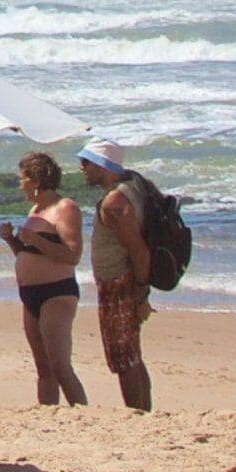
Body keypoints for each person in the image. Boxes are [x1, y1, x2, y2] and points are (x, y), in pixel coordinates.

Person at [3, 148, 88, 406]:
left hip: (56, 292)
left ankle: (83, 415)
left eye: (23, 179)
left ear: (37, 181)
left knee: (59, 365)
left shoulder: (65, 208)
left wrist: (36, 240)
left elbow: (72, 254)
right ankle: (46, 414)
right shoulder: (35, 211)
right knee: (43, 368)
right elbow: (27, 253)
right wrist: (11, 241)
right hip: (30, 294)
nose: (20, 186)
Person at [80, 141, 157, 412]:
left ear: (103, 166)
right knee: (131, 356)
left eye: (87, 163)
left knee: (123, 358)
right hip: (122, 282)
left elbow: (138, 251)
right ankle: (143, 411)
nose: (82, 169)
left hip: (119, 283)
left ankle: (137, 414)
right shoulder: (132, 187)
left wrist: (139, 294)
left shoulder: (115, 202)